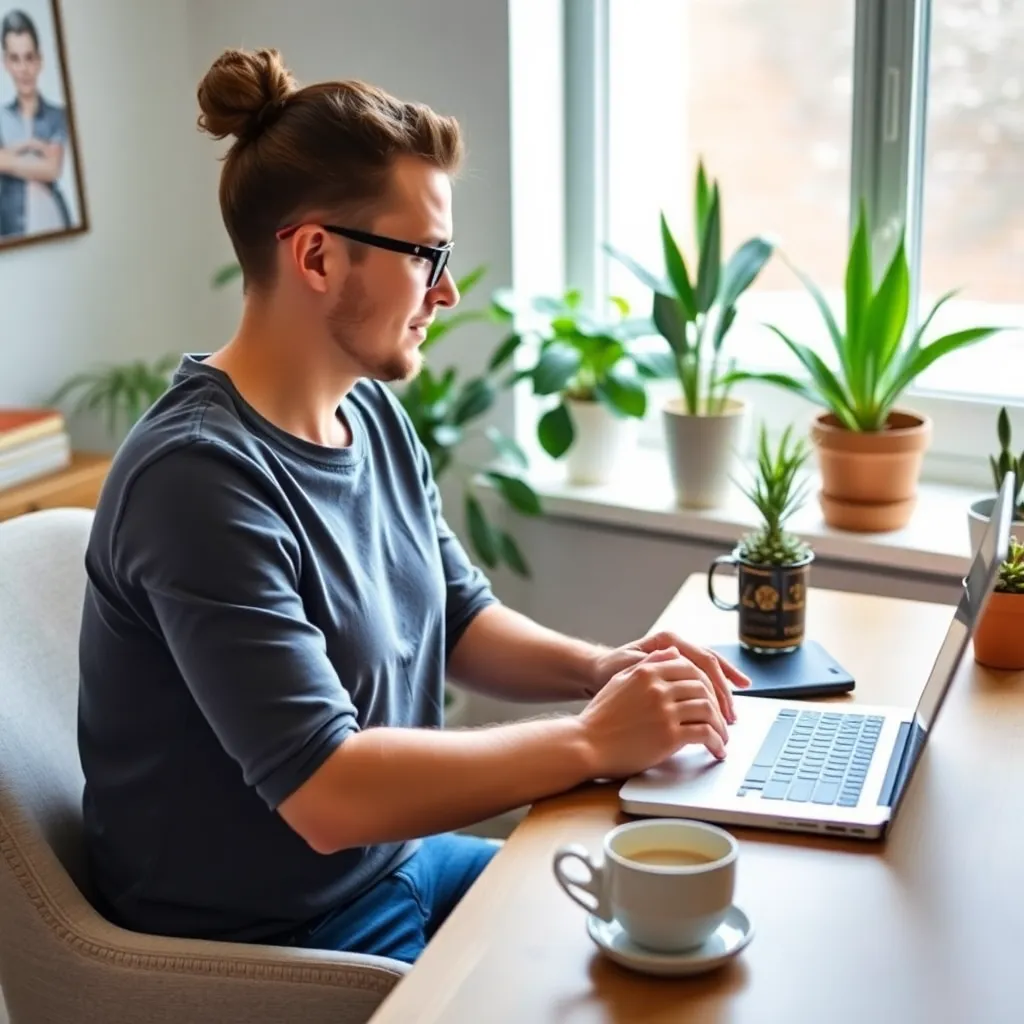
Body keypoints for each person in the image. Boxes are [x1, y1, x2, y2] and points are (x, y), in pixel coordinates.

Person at [77, 46, 750, 966]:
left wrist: (604, 668)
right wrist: (595, 738)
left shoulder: (369, 411)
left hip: (392, 867)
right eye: (425, 254)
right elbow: (329, 794)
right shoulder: (199, 480)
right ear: (315, 254)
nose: (447, 289)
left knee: (683, 940)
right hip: (274, 939)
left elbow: (460, 615)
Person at [0, 8, 71, 239]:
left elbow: (52, 169)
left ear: (40, 60)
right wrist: (34, 147)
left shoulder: (56, 114)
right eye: (15, 59)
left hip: (57, 222)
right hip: (13, 229)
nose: (24, 69)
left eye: (29, 57)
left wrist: (9, 156)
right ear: (6, 63)